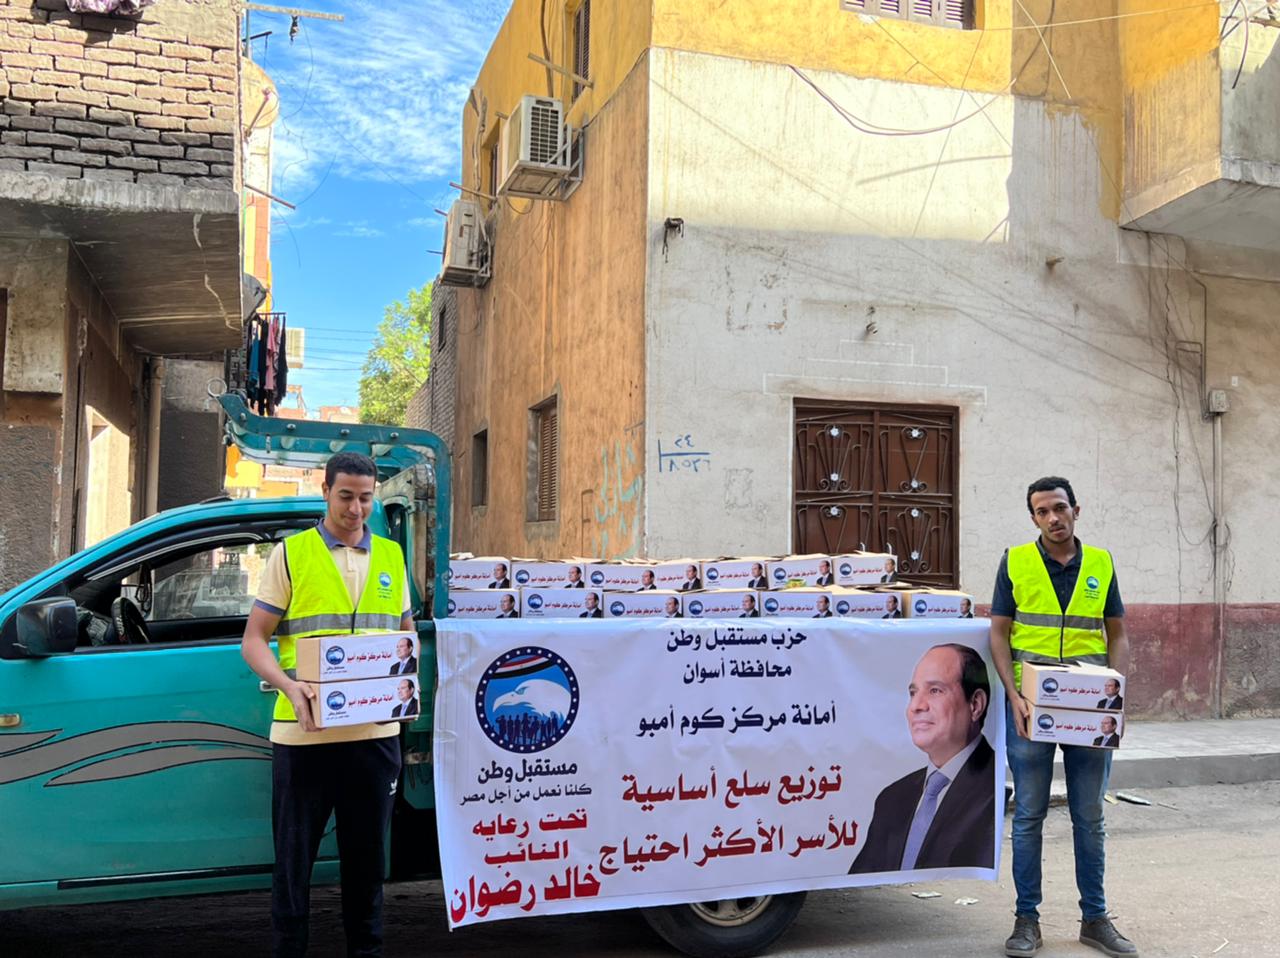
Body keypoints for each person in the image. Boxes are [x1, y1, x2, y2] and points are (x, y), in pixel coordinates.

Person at [240, 451, 412, 958]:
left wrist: (403, 679)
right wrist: (288, 687)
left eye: (365, 498)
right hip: (304, 735)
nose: (356, 509)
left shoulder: (392, 556)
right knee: (294, 864)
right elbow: (253, 640)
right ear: (325, 492)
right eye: (346, 496)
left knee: (367, 863)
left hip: (375, 736)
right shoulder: (291, 555)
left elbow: (404, 635)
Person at [990, 476, 1135, 958]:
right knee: (1029, 814)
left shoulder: (1101, 563)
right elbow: (998, 632)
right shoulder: (1015, 561)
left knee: (1089, 816)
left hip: (1089, 708)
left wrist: (1117, 694)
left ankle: (1095, 918)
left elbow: (1117, 633)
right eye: (1042, 511)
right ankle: (1026, 919)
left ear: (1076, 509)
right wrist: (1012, 695)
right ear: (1033, 517)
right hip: (1030, 707)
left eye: (1059, 508)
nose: (1053, 518)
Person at [850, 644, 995, 874]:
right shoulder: (892, 798)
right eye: (913, 693)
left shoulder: (994, 790)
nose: (916, 706)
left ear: (975, 704)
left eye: (935, 690)